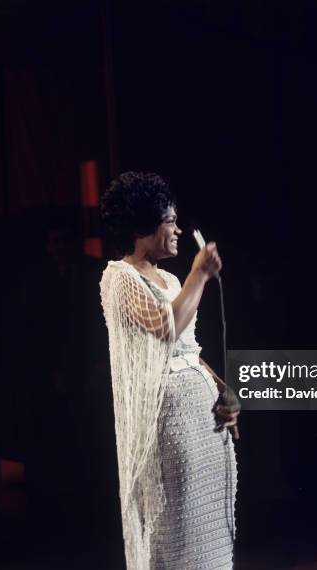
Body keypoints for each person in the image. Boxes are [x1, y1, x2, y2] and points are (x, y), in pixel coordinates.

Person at [99, 172, 240, 569]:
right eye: (170, 221)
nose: (177, 229)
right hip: (170, 426)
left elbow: (186, 349)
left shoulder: (171, 278)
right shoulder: (119, 277)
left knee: (209, 533)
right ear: (145, 226)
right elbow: (165, 328)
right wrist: (200, 274)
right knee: (177, 529)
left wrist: (221, 387)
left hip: (205, 423)